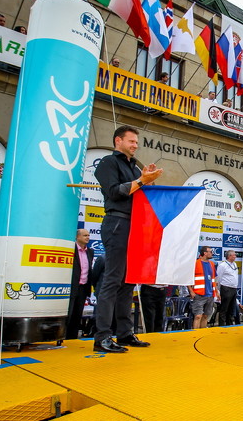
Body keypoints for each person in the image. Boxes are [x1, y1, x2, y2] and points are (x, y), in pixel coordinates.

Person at [93, 125, 163, 353]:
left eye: (136, 142)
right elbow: (114, 192)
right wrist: (142, 180)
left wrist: (147, 181)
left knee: (128, 282)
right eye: (131, 141)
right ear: (118, 141)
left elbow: (140, 194)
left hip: (135, 226)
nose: (135, 145)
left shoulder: (134, 168)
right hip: (117, 223)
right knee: (112, 280)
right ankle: (102, 336)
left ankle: (124, 333)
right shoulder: (108, 163)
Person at [66, 229, 94, 339]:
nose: (87, 237)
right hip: (72, 287)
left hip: (83, 287)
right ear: (77, 237)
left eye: (88, 235)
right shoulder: (71, 250)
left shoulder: (90, 252)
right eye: (85, 235)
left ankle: (72, 338)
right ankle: (64, 337)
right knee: (69, 314)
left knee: (77, 315)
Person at [189, 246, 218, 328]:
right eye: (210, 251)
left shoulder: (211, 264)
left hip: (210, 295)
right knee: (198, 316)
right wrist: (191, 291)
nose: (212, 253)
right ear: (205, 253)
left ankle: (202, 334)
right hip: (199, 294)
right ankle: (195, 335)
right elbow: (187, 278)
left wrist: (216, 292)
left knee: (205, 316)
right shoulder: (195, 263)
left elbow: (213, 279)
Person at [217, 250, 239, 326]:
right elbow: (219, 277)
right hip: (226, 288)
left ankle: (229, 325)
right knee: (224, 308)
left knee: (231, 309)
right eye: (234, 255)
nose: (235, 256)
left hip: (234, 288)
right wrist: (218, 290)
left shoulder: (234, 264)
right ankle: (221, 325)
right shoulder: (222, 265)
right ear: (229, 256)